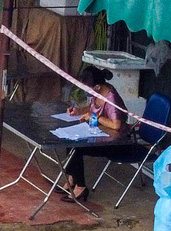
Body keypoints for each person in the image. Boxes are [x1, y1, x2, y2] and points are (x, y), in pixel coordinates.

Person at [60, 67, 147, 202]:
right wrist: (78, 111)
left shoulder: (112, 99)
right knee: (70, 141)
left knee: (76, 148)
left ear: (97, 87)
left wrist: (93, 117)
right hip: (100, 135)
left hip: (116, 142)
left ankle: (81, 187)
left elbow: (116, 125)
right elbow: (92, 109)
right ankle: (72, 178)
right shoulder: (97, 94)